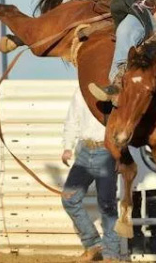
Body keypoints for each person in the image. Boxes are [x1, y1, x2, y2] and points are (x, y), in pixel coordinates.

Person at [61, 87, 120, 261]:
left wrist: (120, 154)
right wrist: (67, 147)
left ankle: (111, 253)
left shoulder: (116, 91)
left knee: (107, 204)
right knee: (69, 198)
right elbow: (72, 119)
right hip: (85, 150)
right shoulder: (81, 91)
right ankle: (93, 244)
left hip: (108, 150)